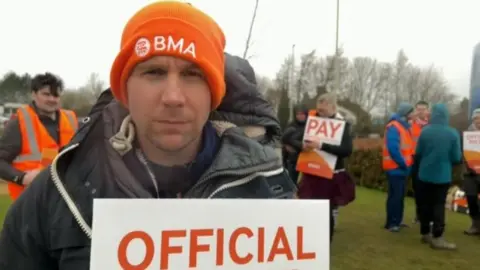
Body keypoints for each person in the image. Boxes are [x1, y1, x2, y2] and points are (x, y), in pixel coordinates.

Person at [0, 2, 295, 269]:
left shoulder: (269, 187)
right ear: (124, 90)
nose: (173, 97)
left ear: (213, 95)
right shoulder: (58, 190)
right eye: (153, 72)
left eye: (194, 74)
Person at [0, 72, 78, 201]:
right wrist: (22, 178)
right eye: (46, 94)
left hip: (66, 199)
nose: (52, 99)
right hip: (29, 200)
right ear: (33, 94)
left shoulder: (72, 119)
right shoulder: (19, 121)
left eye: (56, 95)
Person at [297, 93, 354, 242]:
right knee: (307, 207)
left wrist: (321, 145)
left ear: (333, 107)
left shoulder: (343, 125)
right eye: (318, 111)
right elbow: (295, 138)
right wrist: (302, 146)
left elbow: (346, 150)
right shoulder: (313, 122)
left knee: (325, 211)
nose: (320, 114)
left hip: (330, 175)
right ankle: (308, 239)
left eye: (323, 111)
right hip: (311, 172)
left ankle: (325, 242)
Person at [413, 103, 461, 249]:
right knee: (439, 205)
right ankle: (438, 236)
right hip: (442, 175)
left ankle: (425, 233)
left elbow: (418, 152)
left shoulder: (425, 131)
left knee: (425, 204)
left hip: (424, 173)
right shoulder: (453, 133)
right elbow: (457, 157)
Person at [383, 102, 415, 232]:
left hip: (400, 168)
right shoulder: (394, 127)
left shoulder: (403, 127)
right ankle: (392, 223)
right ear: (406, 114)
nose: (413, 115)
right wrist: (403, 164)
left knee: (398, 196)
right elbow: (393, 149)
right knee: (395, 197)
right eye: (411, 112)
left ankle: (396, 221)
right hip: (396, 168)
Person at [411, 100, 430, 224]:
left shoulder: (432, 124)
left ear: (428, 110)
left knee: (429, 189)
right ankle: (419, 215)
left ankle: (428, 216)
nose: (421, 111)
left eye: (423, 109)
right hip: (414, 159)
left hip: (428, 159)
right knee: (418, 188)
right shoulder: (410, 123)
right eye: (418, 109)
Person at [463, 108, 480, 235]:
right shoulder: (466, 134)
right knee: (471, 198)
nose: (478, 121)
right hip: (469, 173)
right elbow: (461, 152)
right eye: (476, 118)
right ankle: (475, 224)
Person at [282, 104, 308, 184]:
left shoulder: (310, 125)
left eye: (302, 114)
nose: (300, 116)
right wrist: (285, 146)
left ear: (306, 114)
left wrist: (292, 142)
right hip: (293, 159)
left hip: (307, 158)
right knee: (292, 182)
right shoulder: (291, 125)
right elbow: (283, 139)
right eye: (298, 114)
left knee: (305, 184)